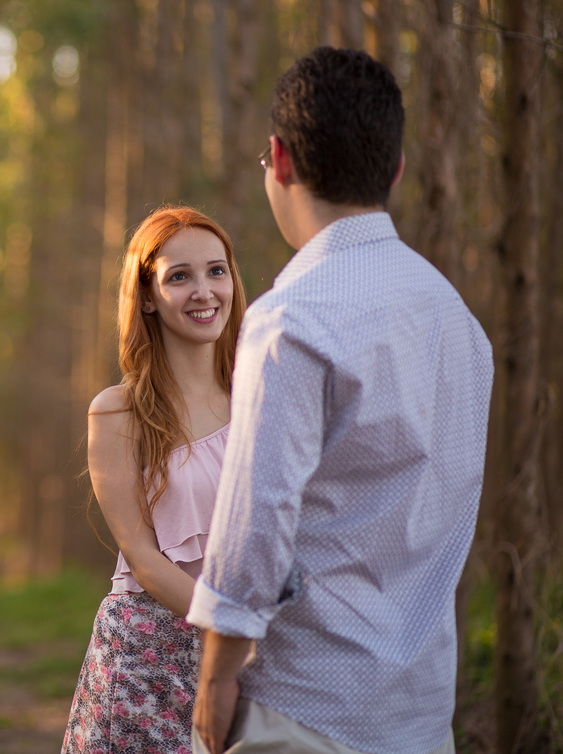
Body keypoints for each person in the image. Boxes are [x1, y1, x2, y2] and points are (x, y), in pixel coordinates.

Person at [187, 47, 493, 754]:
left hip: (303, 709)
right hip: (420, 714)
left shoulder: (290, 317)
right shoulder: (458, 322)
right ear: (396, 168)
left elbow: (257, 519)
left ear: (280, 159)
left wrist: (216, 676)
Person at [62, 205, 246, 753]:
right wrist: (233, 629)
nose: (204, 292)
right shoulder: (118, 412)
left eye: (216, 271)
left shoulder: (260, 398)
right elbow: (142, 556)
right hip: (150, 656)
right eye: (179, 276)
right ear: (147, 296)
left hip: (247, 653)